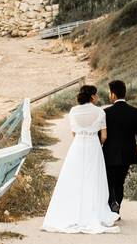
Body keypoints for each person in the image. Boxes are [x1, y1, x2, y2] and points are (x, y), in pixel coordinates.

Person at [41, 84, 120, 234]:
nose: (97, 97)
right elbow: (104, 136)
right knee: (92, 178)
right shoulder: (100, 112)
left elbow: (73, 133)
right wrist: (96, 142)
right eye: (96, 95)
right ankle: (92, 211)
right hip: (93, 146)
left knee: (74, 178)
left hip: (77, 146)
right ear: (92, 96)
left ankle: (70, 211)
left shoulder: (73, 111)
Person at [102, 80, 137, 214]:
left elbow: (101, 135)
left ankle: (112, 204)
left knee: (109, 181)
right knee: (119, 183)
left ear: (113, 95)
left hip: (109, 153)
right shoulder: (135, 112)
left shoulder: (106, 112)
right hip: (128, 153)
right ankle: (116, 209)